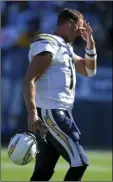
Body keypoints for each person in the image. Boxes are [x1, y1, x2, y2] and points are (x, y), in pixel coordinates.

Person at [23, 8, 97, 181]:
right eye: (80, 26)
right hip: (51, 112)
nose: (82, 31)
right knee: (80, 162)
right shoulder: (49, 43)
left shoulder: (65, 48)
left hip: (58, 112)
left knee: (44, 170)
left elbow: (89, 70)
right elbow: (29, 79)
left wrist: (90, 44)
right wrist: (32, 112)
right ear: (70, 23)